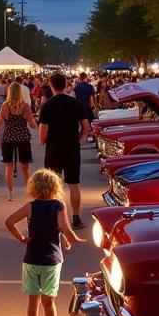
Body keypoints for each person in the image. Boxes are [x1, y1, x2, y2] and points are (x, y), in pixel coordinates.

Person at [4, 167, 84, 316]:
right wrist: (73, 238)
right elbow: (63, 227)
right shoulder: (59, 206)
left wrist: (22, 238)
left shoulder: (30, 207)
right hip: (52, 261)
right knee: (49, 301)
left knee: (33, 301)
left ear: (34, 187)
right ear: (56, 187)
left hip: (32, 258)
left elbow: (9, 221)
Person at [38, 71, 90, 229]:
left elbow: (42, 133)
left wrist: (43, 141)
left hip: (54, 148)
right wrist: (79, 140)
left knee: (53, 184)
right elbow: (86, 127)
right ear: (66, 85)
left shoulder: (47, 105)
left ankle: (55, 217)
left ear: (51, 85)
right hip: (72, 148)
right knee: (73, 184)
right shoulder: (75, 103)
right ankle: (75, 217)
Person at [0, 81, 37, 202]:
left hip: (8, 137)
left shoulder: (4, 106)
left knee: (9, 165)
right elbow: (32, 125)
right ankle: (29, 192)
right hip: (23, 137)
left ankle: (10, 193)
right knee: (25, 166)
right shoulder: (26, 106)